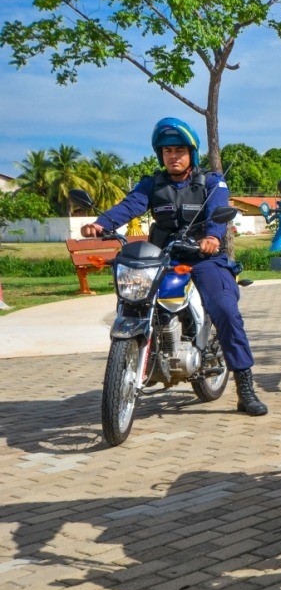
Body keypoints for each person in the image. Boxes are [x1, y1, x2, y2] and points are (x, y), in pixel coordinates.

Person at [80, 118, 268, 417]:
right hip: (164, 257)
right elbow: (130, 205)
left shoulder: (211, 182)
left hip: (205, 257)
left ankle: (245, 389)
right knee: (134, 300)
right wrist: (101, 223)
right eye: (167, 151)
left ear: (191, 153)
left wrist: (212, 237)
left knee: (225, 309)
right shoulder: (152, 184)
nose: (173, 156)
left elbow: (217, 212)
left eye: (179, 150)